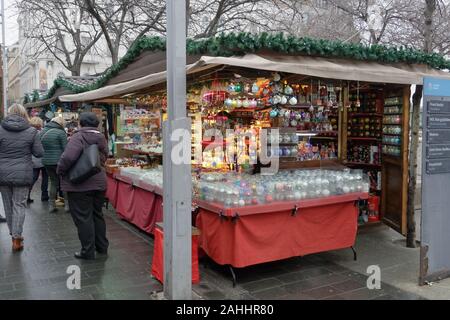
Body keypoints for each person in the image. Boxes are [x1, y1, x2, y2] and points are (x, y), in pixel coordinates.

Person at [57, 112, 109, 260]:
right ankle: (102, 247)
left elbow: (68, 157)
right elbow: (105, 156)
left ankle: (87, 251)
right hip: (99, 183)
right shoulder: (101, 137)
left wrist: (60, 170)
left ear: (80, 123)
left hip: (80, 185)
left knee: (83, 218)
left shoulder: (78, 136)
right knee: (97, 214)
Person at [0, 104, 44, 251]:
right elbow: (39, 153)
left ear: (9, 113)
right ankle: (17, 238)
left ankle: (14, 235)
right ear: (24, 114)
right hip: (23, 173)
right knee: (19, 205)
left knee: (8, 205)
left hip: (3, 173)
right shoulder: (32, 131)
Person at [41, 116, 68, 213]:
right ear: (61, 123)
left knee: (53, 182)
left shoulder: (43, 131)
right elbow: (66, 149)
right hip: (59, 161)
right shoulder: (61, 132)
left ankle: (51, 206)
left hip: (46, 161)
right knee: (64, 182)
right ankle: (67, 206)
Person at [28, 117, 49, 203]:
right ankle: (44, 195)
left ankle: (27, 195)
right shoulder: (44, 132)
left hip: (33, 158)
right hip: (44, 157)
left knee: (33, 178)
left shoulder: (28, 132)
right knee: (45, 178)